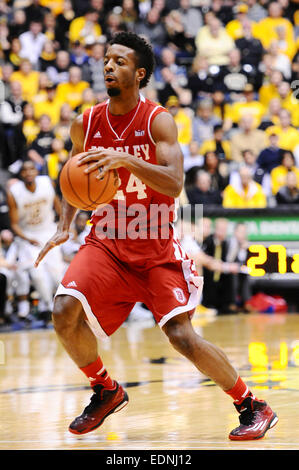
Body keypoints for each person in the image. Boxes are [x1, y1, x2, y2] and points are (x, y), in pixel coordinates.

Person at [34, 32, 277, 440]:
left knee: (181, 337)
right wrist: (64, 225)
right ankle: (105, 389)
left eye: (120, 61)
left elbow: (174, 182)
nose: (109, 66)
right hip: (107, 240)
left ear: (139, 73)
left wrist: (125, 158)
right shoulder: (86, 123)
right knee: (63, 312)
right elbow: (72, 179)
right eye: (106, 60)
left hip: (154, 245)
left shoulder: (156, 120)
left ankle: (253, 405)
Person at [6, 161, 64, 321]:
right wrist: (28, 238)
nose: (29, 172)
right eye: (25, 170)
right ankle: (49, 306)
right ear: (21, 174)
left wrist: (64, 224)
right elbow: (14, 224)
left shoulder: (47, 182)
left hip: (49, 231)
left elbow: (58, 204)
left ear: (36, 171)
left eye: (32, 169)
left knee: (57, 275)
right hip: (28, 236)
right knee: (37, 275)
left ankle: (62, 307)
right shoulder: (14, 192)